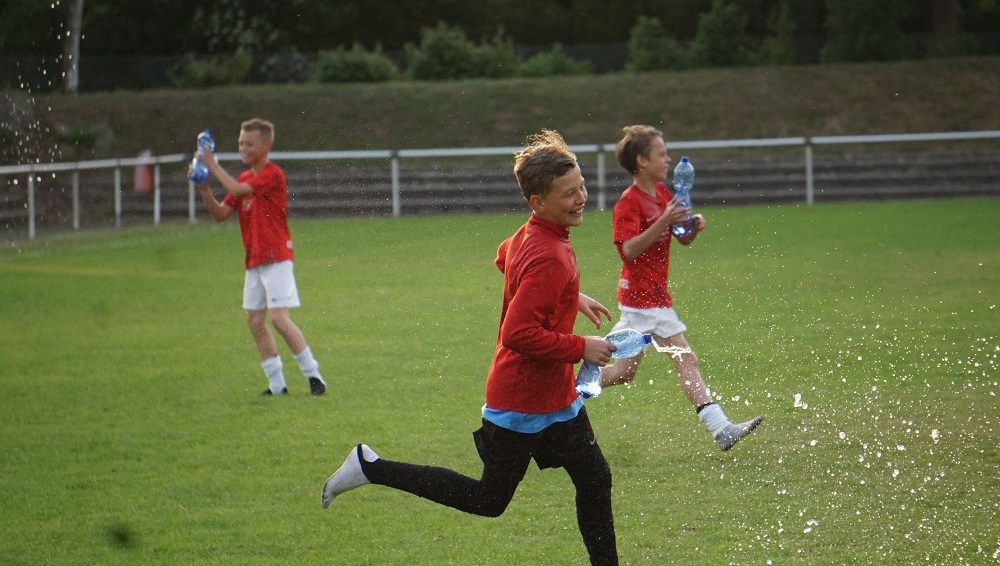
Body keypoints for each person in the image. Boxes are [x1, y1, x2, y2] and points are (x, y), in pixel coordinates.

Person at [321, 130, 620, 565]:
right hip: (521, 399)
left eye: (582, 187)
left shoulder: (534, 235)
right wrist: (581, 346)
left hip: (556, 398)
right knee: (489, 500)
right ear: (537, 202)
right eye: (569, 193)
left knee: (595, 479)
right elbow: (517, 333)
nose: (581, 199)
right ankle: (370, 466)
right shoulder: (549, 254)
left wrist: (569, 296)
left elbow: (505, 257)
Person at [599, 124, 762, 451]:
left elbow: (681, 237)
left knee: (623, 373)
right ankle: (721, 428)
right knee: (686, 359)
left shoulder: (663, 194)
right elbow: (628, 250)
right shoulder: (628, 203)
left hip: (651, 299)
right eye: (661, 154)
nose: (668, 160)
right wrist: (665, 220)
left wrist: (692, 228)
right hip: (644, 300)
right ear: (642, 161)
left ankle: (564, 391)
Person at [193, 118, 326, 397]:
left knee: (278, 318)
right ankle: (277, 385)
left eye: (249, 144)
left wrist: (212, 164)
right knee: (254, 321)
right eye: (241, 143)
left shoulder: (272, 175)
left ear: (266, 146)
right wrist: (204, 187)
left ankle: (314, 376)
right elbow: (220, 214)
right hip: (254, 260)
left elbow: (239, 191)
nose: (243, 148)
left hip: (276, 256)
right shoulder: (243, 178)